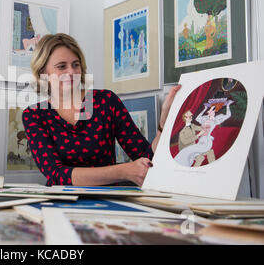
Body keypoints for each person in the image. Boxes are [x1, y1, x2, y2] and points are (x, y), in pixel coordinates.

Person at [22, 33, 180, 186]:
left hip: (108, 203)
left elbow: (146, 158)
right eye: (62, 66)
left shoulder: (106, 101)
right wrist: (124, 171)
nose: (72, 71)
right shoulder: (34, 115)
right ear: (44, 73)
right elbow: (56, 174)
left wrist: (163, 124)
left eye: (75, 64)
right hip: (60, 204)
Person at [173, 99, 232, 167]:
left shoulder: (216, 120)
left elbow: (228, 115)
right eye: (209, 109)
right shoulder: (205, 118)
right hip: (200, 140)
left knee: (189, 151)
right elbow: (198, 118)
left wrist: (228, 106)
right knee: (191, 152)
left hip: (207, 141)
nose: (208, 111)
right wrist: (204, 109)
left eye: (211, 109)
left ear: (215, 111)